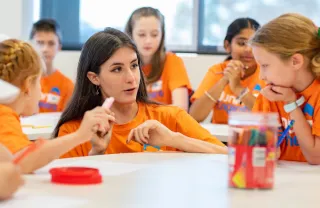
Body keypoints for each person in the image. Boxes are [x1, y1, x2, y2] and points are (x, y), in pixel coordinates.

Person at [54, 28, 227, 157]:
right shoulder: (74, 131)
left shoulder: (170, 118)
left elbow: (227, 155)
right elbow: (65, 194)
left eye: (134, 65)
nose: (131, 78)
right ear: (94, 78)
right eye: (117, 69)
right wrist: (97, 152)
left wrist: (174, 139)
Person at [0, 39, 112, 174]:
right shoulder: (4, 115)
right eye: (39, 82)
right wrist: (80, 135)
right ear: (28, 86)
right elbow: (23, 161)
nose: (41, 90)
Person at [250, 13, 320, 164]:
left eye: (265, 66)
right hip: (283, 184)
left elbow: (315, 157)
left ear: (295, 61)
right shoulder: (270, 94)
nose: (261, 76)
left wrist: (291, 105)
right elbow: (256, 152)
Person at [190, 18, 264, 124]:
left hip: (254, 138)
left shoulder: (266, 73)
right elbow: (194, 117)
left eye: (253, 44)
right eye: (242, 43)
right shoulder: (217, 71)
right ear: (227, 45)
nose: (248, 50)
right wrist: (224, 79)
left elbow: (268, 116)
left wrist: (238, 88)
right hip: (220, 140)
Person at [125, 7, 192, 111]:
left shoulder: (172, 61)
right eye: (141, 35)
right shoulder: (122, 64)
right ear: (131, 35)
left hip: (164, 125)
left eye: (154, 35)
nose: (148, 41)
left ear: (162, 35)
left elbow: (181, 109)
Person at [30, 19, 74, 112]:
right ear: (31, 45)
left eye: (51, 43)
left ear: (59, 47)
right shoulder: (21, 81)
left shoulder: (67, 86)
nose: (45, 49)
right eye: (40, 43)